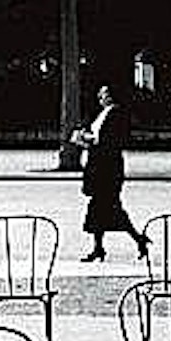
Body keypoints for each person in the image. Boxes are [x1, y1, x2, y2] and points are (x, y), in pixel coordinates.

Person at [72, 85, 150, 262]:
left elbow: (109, 140)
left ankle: (136, 240)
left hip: (107, 167)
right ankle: (102, 247)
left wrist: (87, 138)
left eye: (104, 94)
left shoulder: (116, 114)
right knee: (101, 208)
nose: (100, 97)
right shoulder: (104, 113)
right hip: (101, 164)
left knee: (106, 207)